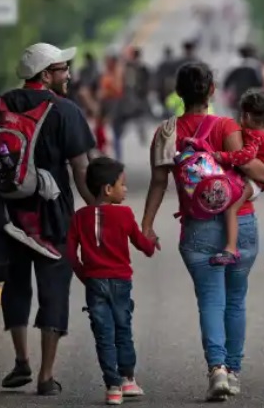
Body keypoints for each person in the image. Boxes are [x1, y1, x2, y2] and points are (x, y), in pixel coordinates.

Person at [141, 62, 264, 401]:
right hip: (241, 221)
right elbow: (253, 169)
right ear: (212, 91)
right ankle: (233, 371)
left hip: (197, 227)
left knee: (210, 301)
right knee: (235, 299)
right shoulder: (227, 126)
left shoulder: (166, 132)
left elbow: (158, 183)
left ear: (178, 94)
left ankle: (216, 368)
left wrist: (147, 225)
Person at [0, 42, 96, 396]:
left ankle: (21, 361)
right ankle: (45, 375)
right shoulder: (66, 111)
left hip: (5, 213)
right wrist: (97, 210)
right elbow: (82, 169)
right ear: (45, 75)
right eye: (62, 68)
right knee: (54, 289)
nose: (68, 74)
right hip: (51, 216)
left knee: (16, 284)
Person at [66, 157, 158, 405]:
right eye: (122, 185)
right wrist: (151, 245)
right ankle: (128, 378)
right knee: (123, 330)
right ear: (108, 189)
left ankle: (113, 386)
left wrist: (84, 274)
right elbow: (141, 243)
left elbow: (70, 253)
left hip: (94, 282)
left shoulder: (79, 217)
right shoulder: (125, 215)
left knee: (103, 334)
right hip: (120, 282)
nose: (125, 189)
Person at [205, 89, 264, 267]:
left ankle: (231, 248)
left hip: (254, 182)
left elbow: (244, 158)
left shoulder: (255, 138)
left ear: (246, 116)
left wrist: (222, 156)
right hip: (260, 180)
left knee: (232, 208)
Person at [222, 44, 264, 114]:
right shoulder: (255, 67)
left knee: (238, 114)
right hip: (251, 96)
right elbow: (259, 83)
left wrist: (226, 91)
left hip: (238, 96)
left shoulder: (237, 66)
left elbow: (227, 81)